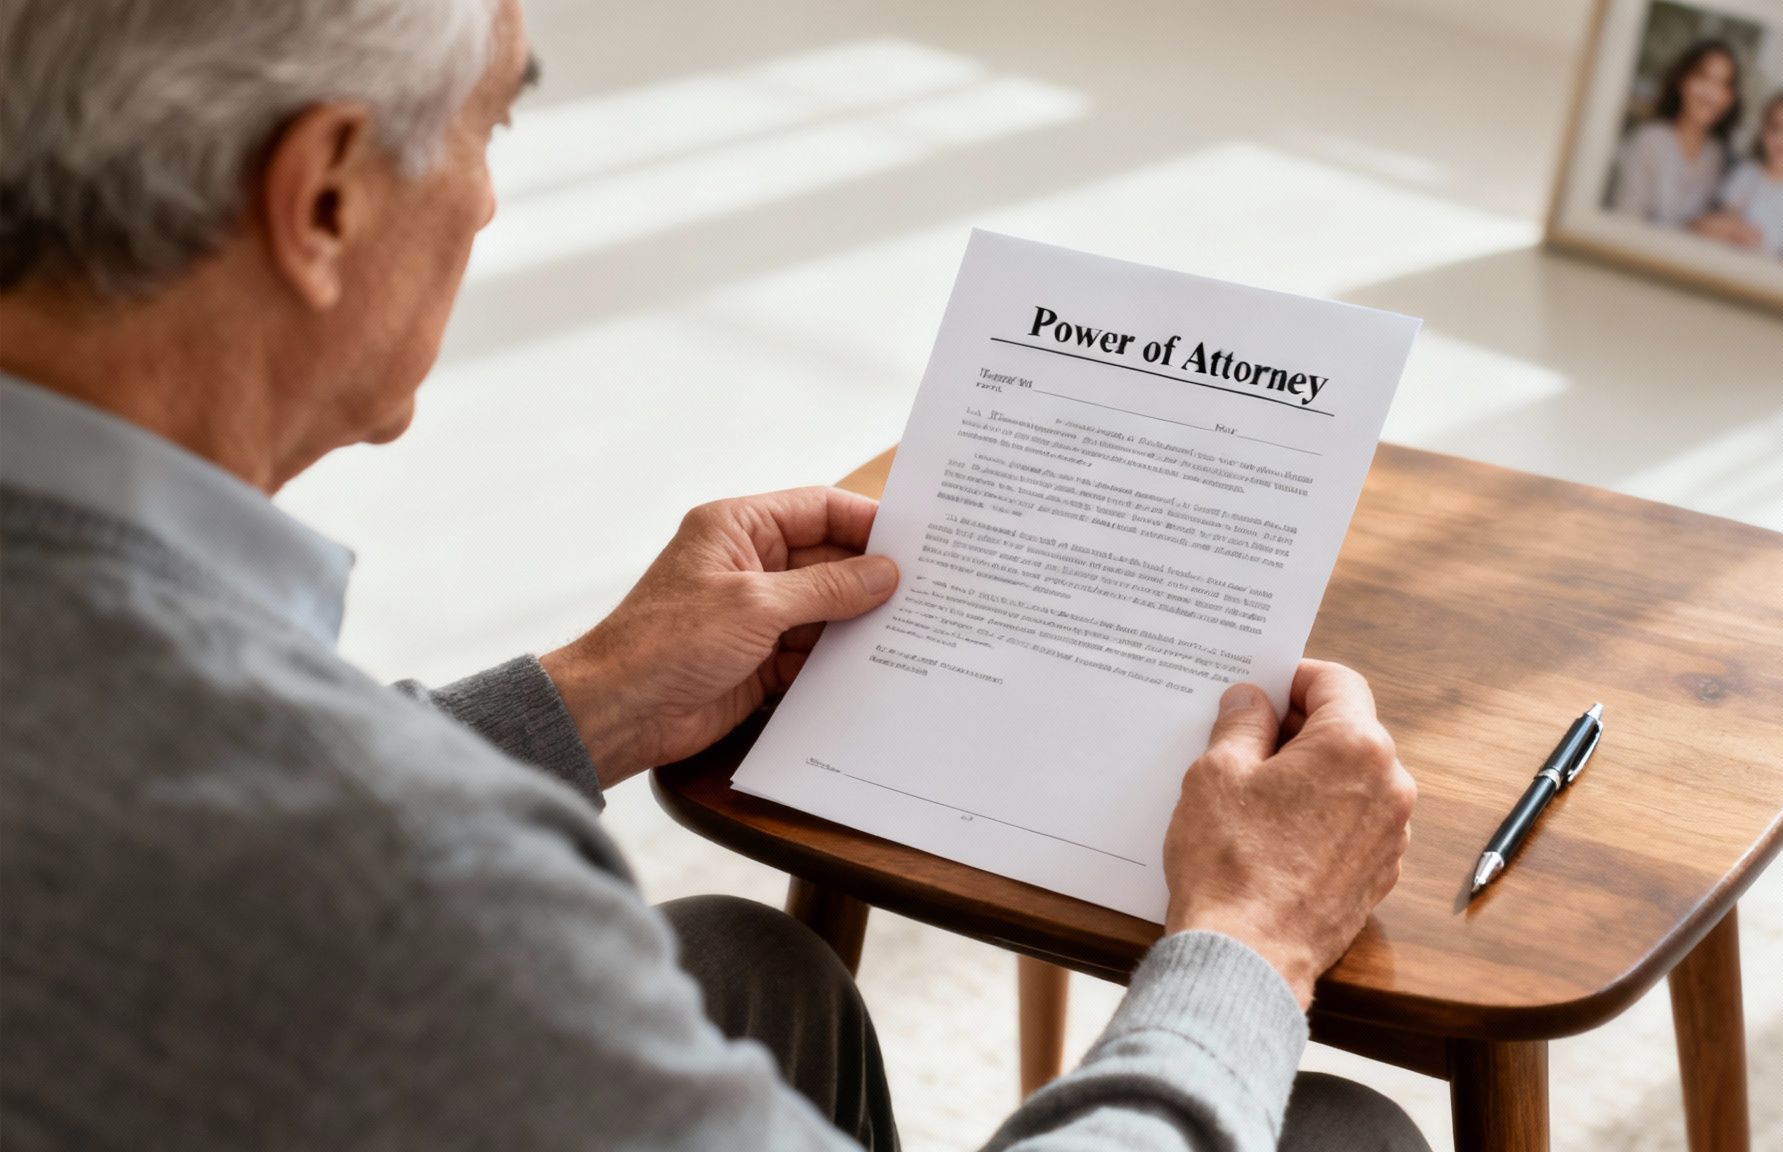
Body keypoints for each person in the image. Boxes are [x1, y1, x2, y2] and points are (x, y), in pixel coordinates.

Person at [0, 2, 1427, 1150]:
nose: (490, 203)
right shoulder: (418, 890)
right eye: (493, 122)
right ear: (318, 200)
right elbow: (324, 862)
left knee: (755, 976)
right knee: (1333, 1129)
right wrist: (1250, 941)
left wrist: (587, 698)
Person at [1610, 38, 1743, 229]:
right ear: (1682, 80)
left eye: (1723, 84)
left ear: (1730, 98)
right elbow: (1624, 222)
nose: (1711, 94)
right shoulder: (1648, 140)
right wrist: (1696, 228)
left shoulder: (1717, 156)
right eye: (1703, 78)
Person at [1690, 90, 1783, 263]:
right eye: (1776, 128)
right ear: (1763, 134)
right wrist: (1735, 231)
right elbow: (1725, 221)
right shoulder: (1746, 174)